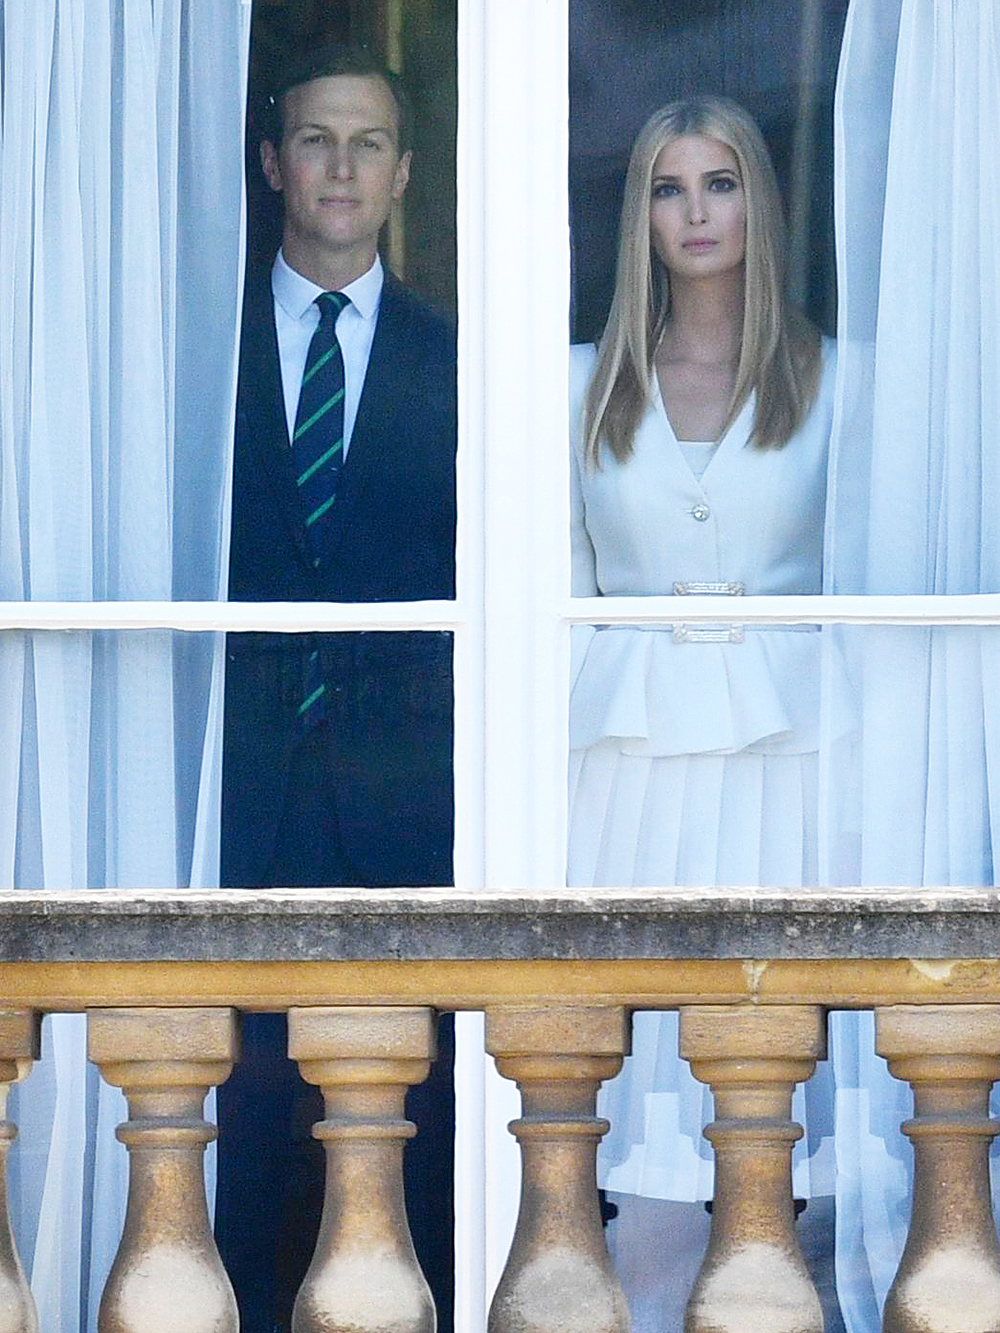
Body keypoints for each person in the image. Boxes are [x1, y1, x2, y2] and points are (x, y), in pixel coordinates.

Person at [566, 97, 842, 1330]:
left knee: (778, 1060)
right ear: (639, 216)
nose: (695, 212)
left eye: (720, 183)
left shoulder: (840, 378)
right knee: (641, 1092)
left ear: (758, 203)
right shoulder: (575, 384)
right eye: (669, 188)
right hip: (624, 778)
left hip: (796, 767)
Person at [217, 44, 456, 1333]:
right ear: (272, 164)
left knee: (399, 1100)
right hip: (236, 782)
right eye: (317, 139)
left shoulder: (460, 363)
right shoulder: (198, 354)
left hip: (402, 797)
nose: (343, 166)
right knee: (244, 1097)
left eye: (368, 143)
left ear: (406, 171)